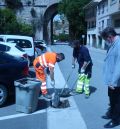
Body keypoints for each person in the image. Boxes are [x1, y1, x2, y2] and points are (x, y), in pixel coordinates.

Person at [101, 27, 120, 128]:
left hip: (116, 81)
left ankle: (116, 119)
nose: (105, 42)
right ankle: (111, 113)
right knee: (111, 99)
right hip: (111, 79)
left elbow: (119, 64)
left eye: (105, 39)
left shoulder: (119, 44)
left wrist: (113, 81)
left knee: (116, 101)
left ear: (110, 37)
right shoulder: (112, 44)